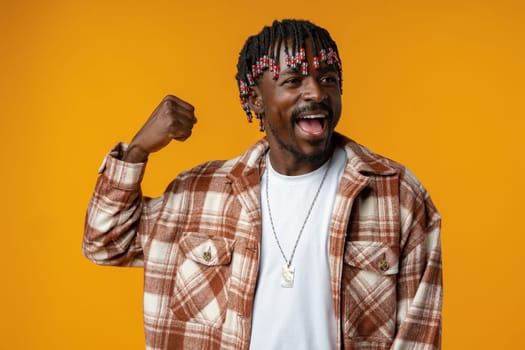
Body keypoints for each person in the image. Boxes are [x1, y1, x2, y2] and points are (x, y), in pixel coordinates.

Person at [83, 19, 442, 350]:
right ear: (255, 98)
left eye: (329, 78)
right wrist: (137, 151)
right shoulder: (198, 195)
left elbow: (418, 339)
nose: (316, 93)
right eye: (293, 80)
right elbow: (105, 243)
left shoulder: (397, 196)